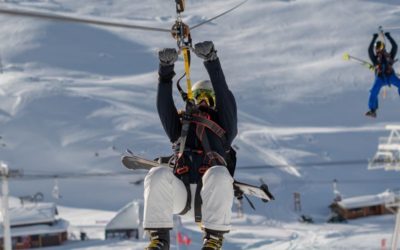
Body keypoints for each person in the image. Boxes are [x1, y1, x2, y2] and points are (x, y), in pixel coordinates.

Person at [143, 41, 238, 250]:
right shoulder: (180, 127)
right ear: (191, 99)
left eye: (208, 97)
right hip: (181, 194)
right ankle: (159, 240)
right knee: (156, 174)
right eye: (198, 96)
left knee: (219, 174)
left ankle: (213, 239)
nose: (203, 101)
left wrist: (212, 61)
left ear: (215, 102)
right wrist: (165, 70)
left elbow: (225, 95)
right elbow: (164, 106)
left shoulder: (225, 128)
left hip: (210, 198)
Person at [366, 32, 400, 118]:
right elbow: (369, 50)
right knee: (373, 92)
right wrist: (374, 38)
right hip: (380, 78)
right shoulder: (375, 59)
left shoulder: (389, 55)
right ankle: (373, 110)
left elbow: (395, 46)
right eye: (376, 48)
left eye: (379, 47)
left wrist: (389, 36)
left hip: (390, 76)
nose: (378, 50)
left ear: (383, 47)